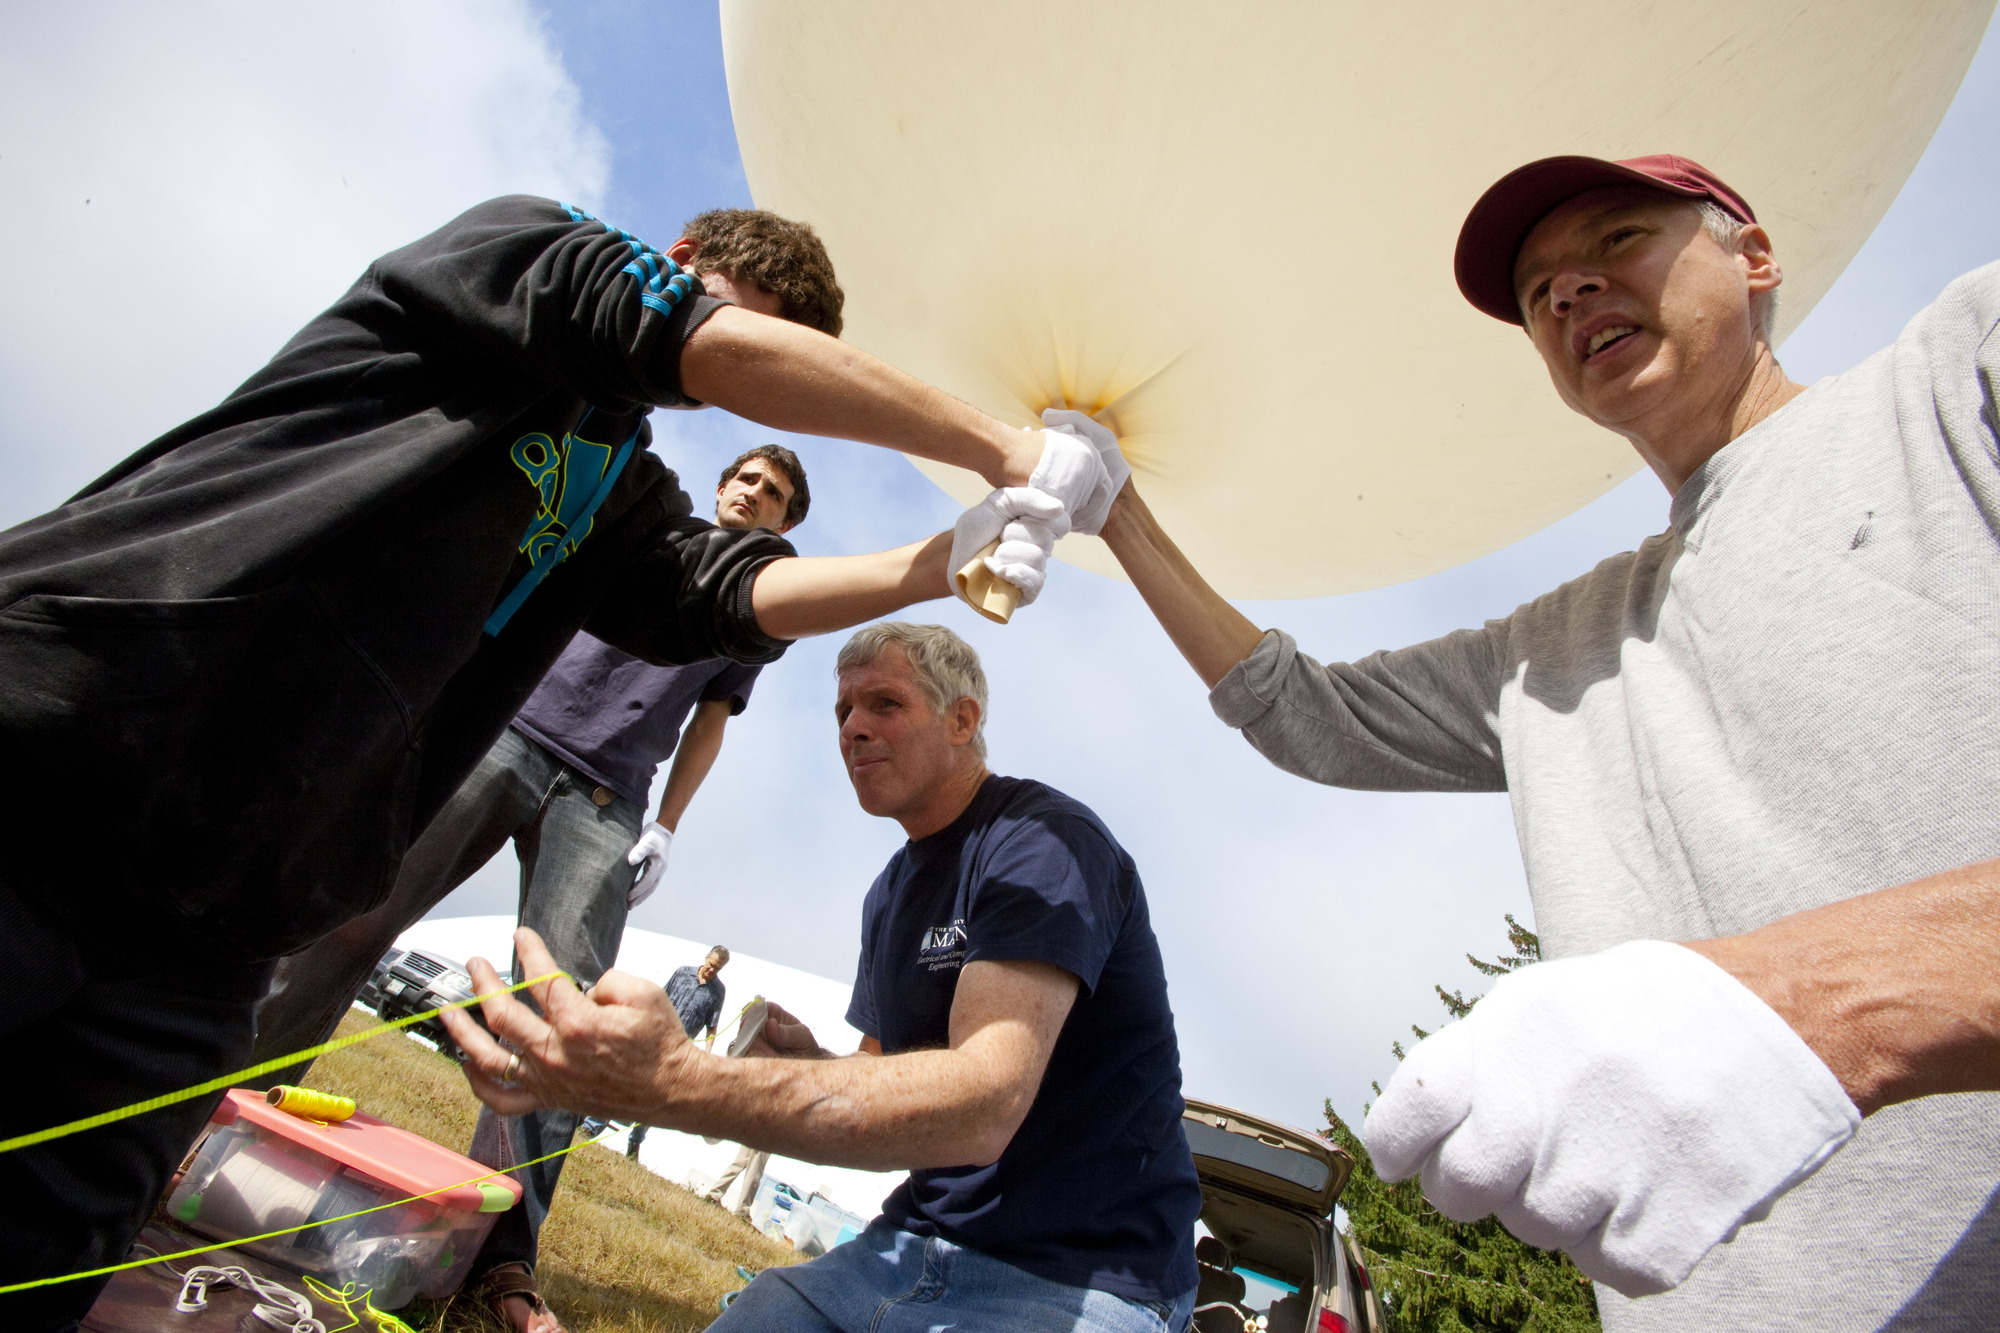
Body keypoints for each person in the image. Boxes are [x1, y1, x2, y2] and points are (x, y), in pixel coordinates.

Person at [0, 197, 1119, 1331]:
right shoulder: (527, 256)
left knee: (49, 1243)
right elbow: (702, 342)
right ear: (677, 266)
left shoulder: (619, 495)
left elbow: (722, 595)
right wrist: (1008, 449)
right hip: (71, 734)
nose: (753, 377)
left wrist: (943, 556)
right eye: (760, 333)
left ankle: (494, 1252)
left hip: (223, 914)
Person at [1095, 154, 1999, 1329]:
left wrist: (1814, 1000)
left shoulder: (1951, 377)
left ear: (1753, 254)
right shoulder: (1556, 647)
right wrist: (1114, 510)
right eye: (1536, 296)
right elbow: (1306, 714)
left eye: (1616, 241)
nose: (1567, 295)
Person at [442, 622, 1204, 1332]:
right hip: (911, 1241)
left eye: (884, 703)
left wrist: (676, 1080)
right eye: (841, 709)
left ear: (963, 720)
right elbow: (881, 1076)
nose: (851, 728)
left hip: (1088, 1279)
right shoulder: (890, 892)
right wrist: (808, 1064)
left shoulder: (1042, 843)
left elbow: (984, 1104)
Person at [247, 444, 796, 1332]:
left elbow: (711, 722)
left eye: (771, 493)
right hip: (505, 730)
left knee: (561, 1013)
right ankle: (217, 1108)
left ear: (783, 522)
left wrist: (669, 825)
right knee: (352, 913)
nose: (750, 492)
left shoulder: (756, 609)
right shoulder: (650, 527)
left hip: (606, 796)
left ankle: (497, 1258)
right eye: (745, 476)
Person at [626, 947, 733, 1160]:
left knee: (656, 1096)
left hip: (678, 1050)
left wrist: (709, 1053)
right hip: (654, 1037)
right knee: (627, 1080)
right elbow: (659, 997)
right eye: (711, 964)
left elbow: (712, 1026)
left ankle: (635, 1142)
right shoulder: (682, 973)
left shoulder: (718, 992)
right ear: (706, 958)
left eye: (718, 968)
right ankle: (593, 1124)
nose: (712, 970)